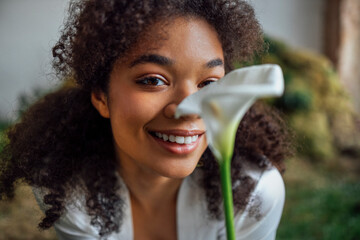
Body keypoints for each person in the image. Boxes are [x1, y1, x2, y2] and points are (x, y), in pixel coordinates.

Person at [0, 0, 292, 239]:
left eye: (209, 83)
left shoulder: (254, 194)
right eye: (153, 80)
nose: (190, 109)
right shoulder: (68, 192)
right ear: (102, 96)